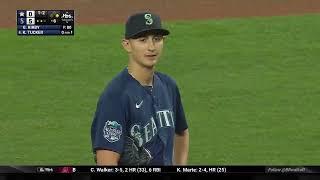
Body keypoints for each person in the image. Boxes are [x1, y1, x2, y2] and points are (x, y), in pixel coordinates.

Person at [91, 11, 189, 166]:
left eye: (157, 39)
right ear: (127, 45)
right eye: (142, 40)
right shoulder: (116, 96)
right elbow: (106, 161)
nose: (151, 47)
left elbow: (181, 132)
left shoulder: (169, 85)